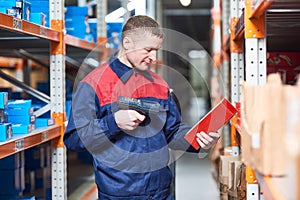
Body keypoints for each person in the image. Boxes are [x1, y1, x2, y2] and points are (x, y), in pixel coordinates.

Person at [64, 15, 220, 200]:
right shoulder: (93, 84)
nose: (153, 57)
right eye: (148, 49)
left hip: (161, 191)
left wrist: (198, 140)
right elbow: (74, 139)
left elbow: (172, 132)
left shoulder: (159, 85)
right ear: (127, 42)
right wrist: (113, 122)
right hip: (120, 194)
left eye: (157, 50)